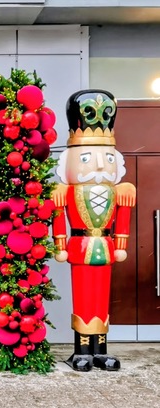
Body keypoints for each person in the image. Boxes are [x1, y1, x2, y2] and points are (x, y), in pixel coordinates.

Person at [52, 89, 136, 372]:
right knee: (83, 296)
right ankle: (82, 349)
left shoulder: (120, 191)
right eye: (87, 158)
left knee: (102, 297)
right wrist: (60, 245)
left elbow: (122, 218)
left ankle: (101, 349)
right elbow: (58, 216)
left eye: (108, 158)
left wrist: (121, 244)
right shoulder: (65, 191)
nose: (100, 165)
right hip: (79, 247)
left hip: (106, 247)